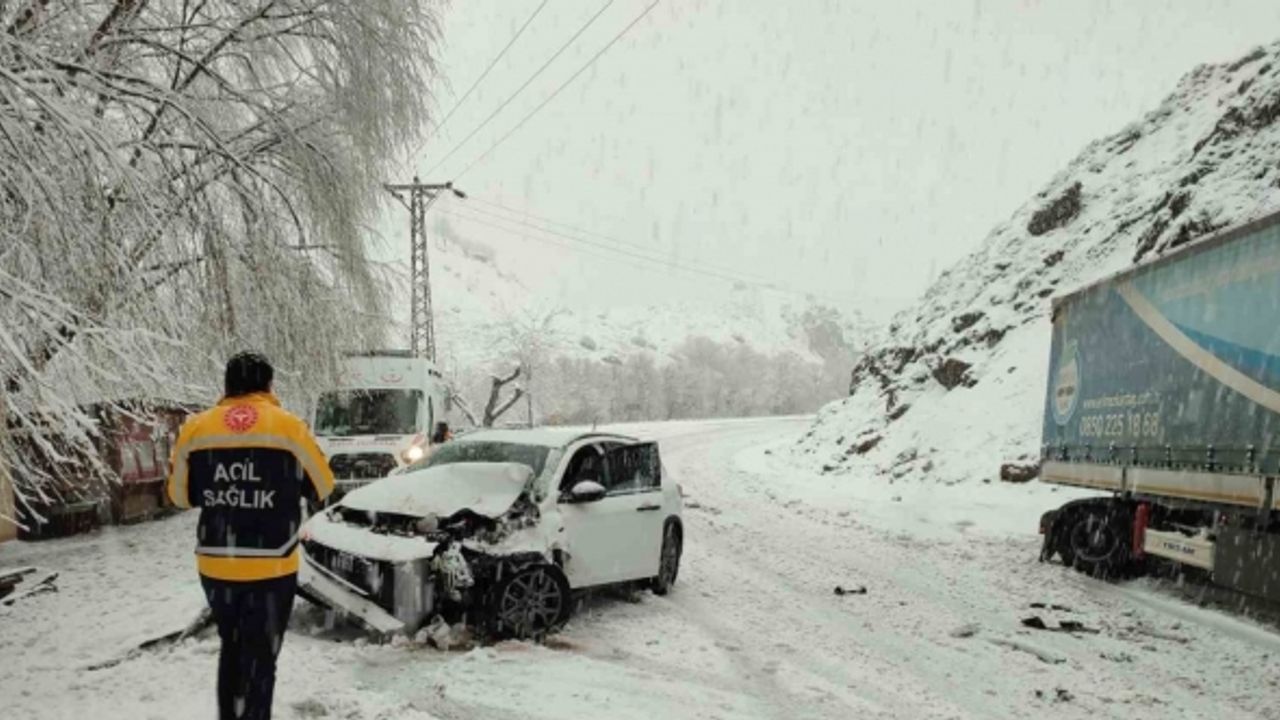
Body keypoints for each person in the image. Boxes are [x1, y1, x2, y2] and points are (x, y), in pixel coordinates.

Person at [166, 352, 334, 720]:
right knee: (261, 658)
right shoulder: (290, 427)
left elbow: (179, 496)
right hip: (272, 565)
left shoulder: (196, 429)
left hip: (216, 562)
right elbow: (323, 483)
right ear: (269, 385)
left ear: (227, 386)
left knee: (233, 647)